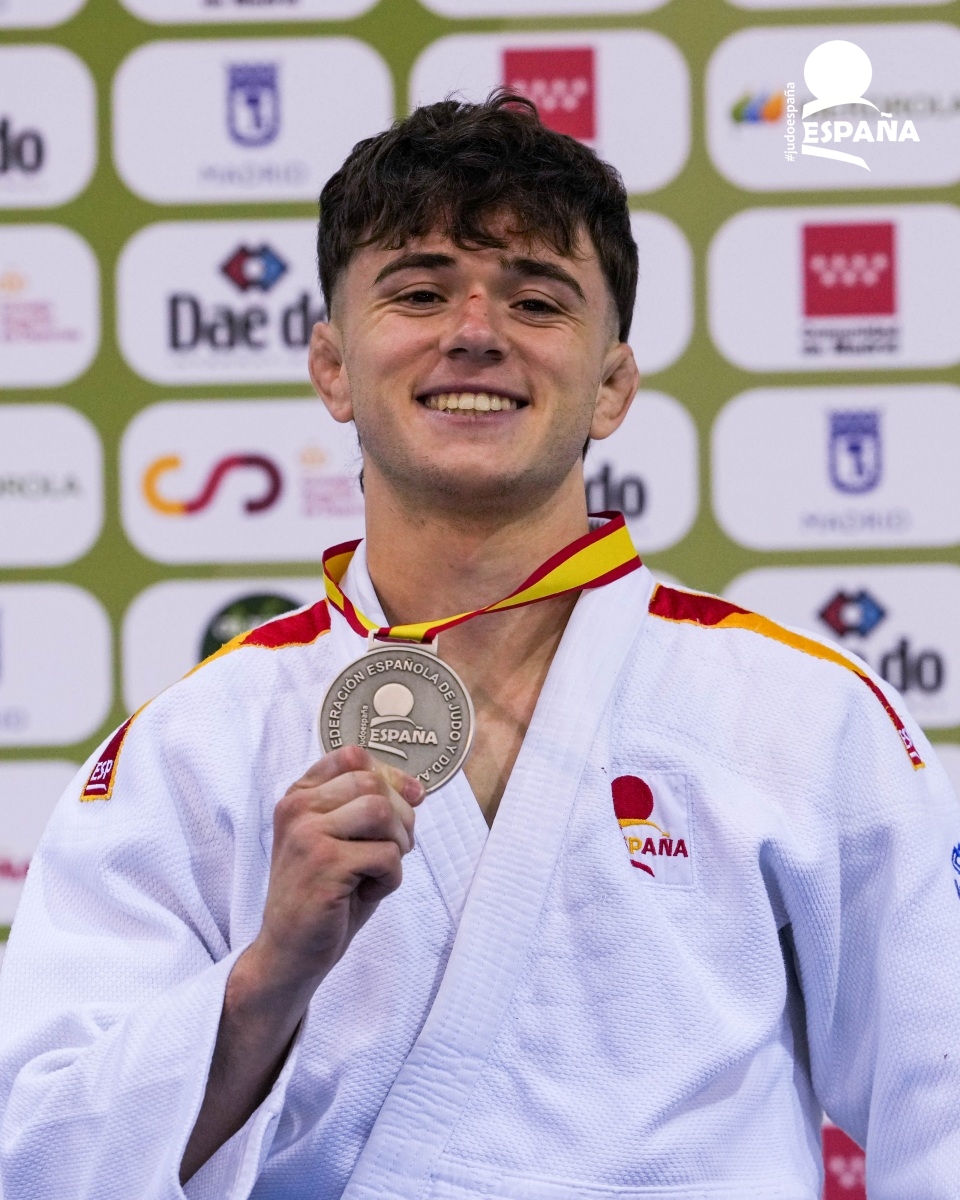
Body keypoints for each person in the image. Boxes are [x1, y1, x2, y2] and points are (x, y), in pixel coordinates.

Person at [0, 92, 958, 1200]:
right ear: (331, 366)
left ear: (611, 386)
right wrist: (267, 977)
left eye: (536, 300)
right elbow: (39, 1153)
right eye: (418, 292)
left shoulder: (800, 710)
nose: (474, 331)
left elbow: (941, 1102)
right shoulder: (195, 744)